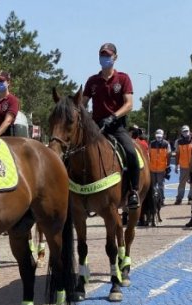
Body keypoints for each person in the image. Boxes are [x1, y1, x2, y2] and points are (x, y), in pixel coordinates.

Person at [82, 43, 141, 208]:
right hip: (96, 128)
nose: (105, 58)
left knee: (131, 152)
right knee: (74, 151)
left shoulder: (123, 78)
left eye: (108, 55)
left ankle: (133, 191)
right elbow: (82, 103)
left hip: (116, 127)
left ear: (115, 57)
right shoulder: (92, 81)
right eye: (102, 55)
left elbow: (129, 104)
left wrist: (113, 117)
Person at [173, 125, 192, 205]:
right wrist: (176, 165)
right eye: (184, 131)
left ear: (189, 131)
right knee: (182, 183)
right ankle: (179, 198)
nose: (185, 133)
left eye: (187, 131)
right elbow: (177, 154)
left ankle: (191, 198)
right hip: (183, 166)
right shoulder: (178, 142)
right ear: (181, 133)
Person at [148, 129, 171, 205]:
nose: (158, 138)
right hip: (152, 168)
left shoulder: (166, 144)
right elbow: (149, 155)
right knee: (153, 185)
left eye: (160, 137)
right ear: (155, 136)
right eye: (157, 136)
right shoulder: (151, 144)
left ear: (163, 136)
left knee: (161, 185)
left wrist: (168, 166)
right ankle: (153, 200)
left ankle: (161, 199)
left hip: (162, 169)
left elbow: (168, 155)